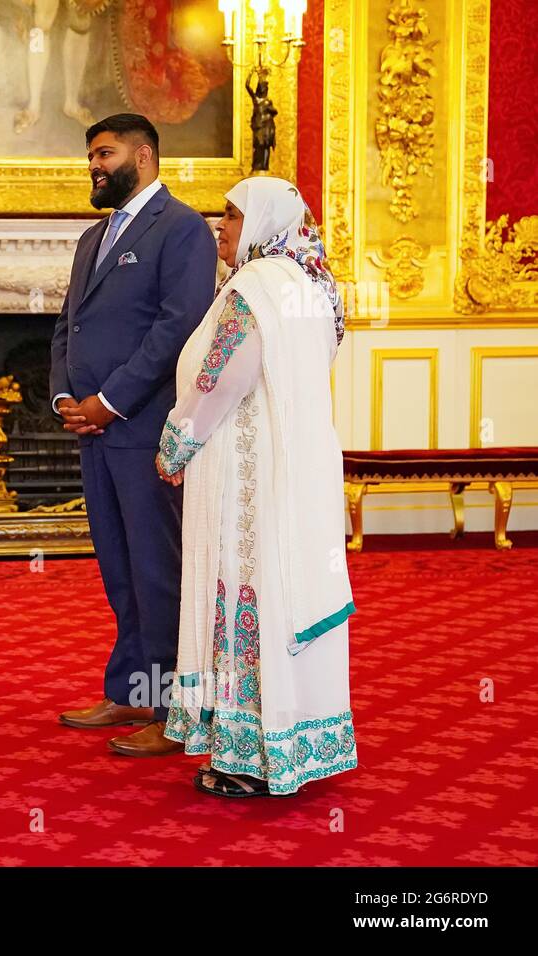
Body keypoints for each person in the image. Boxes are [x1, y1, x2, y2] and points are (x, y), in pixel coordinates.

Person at [158, 176, 357, 797]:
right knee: (284, 587)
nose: (221, 226)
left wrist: (176, 442)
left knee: (252, 587)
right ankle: (295, 744)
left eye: (232, 215)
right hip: (294, 467)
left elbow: (221, 377)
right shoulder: (312, 285)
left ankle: (247, 757)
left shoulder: (255, 290)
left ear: (265, 222)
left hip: (248, 477)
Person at [50, 113, 217, 755]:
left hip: (145, 430)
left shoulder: (182, 230)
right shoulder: (94, 236)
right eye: (90, 154)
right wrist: (67, 394)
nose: (94, 165)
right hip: (93, 430)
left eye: (104, 152)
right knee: (119, 567)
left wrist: (110, 401)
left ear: (143, 155)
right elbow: (71, 325)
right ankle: (133, 692)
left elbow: (178, 327)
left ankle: (177, 713)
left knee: (157, 569)